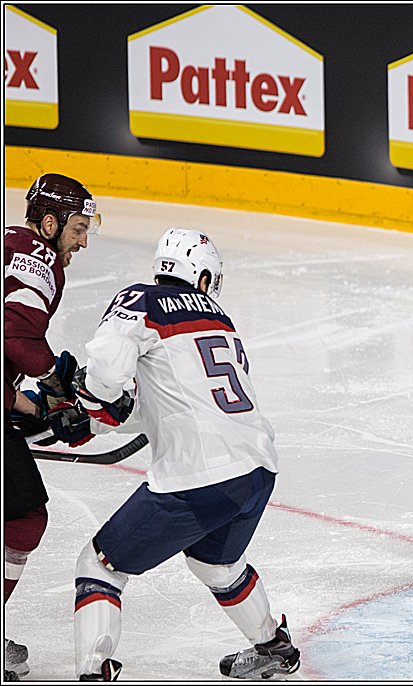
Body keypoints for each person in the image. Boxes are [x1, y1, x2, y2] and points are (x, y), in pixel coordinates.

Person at [70, 228, 299, 680]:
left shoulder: (142, 300)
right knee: (216, 564)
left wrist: (89, 405)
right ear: (203, 275)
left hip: (199, 475)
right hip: (256, 470)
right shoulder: (219, 318)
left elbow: (105, 373)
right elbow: (170, 398)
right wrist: (103, 414)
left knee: (99, 567)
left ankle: (91, 672)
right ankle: (273, 645)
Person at [4, 173, 100, 681]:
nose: (83, 241)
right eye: (78, 228)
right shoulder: (37, 260)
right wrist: (56, 387)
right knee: (23, 519)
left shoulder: (9, 245)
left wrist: (29, 406)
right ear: (50, 223)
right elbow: (17, 336)